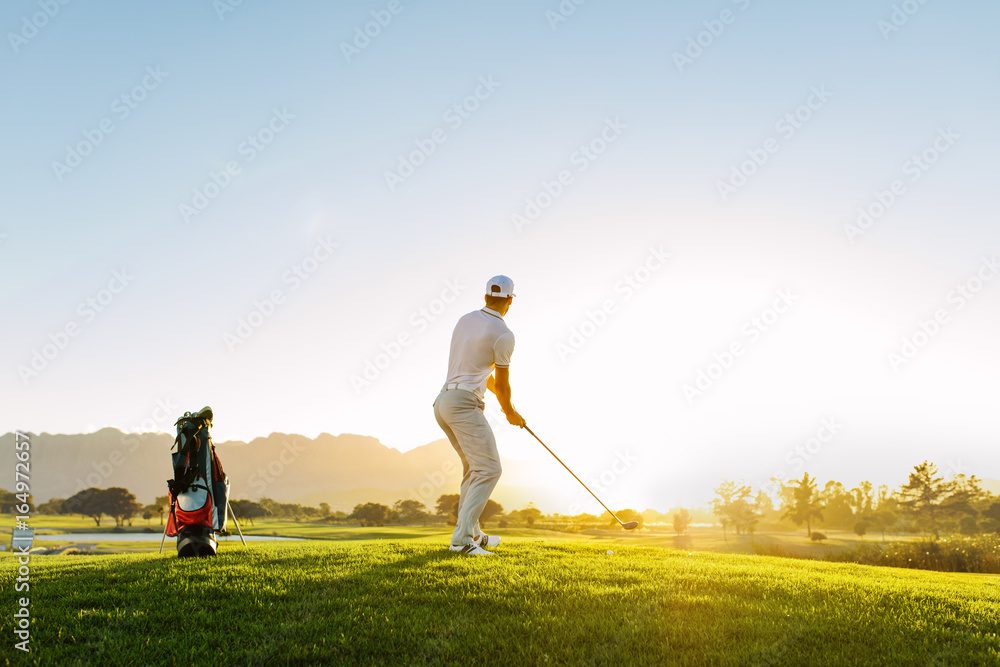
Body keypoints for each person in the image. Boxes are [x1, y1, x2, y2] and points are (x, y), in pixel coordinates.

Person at [433, 275, 526, 556]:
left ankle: (473, 533)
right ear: (510, 301)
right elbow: (502, 383)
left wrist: (511, 410)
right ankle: (461, 541)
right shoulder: (503, 334)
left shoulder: (465, 320)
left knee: (474, 469)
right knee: (490, 469)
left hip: (443, 402)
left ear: (486, 297)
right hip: (463, 405)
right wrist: (510, 411)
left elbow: (480, 376)